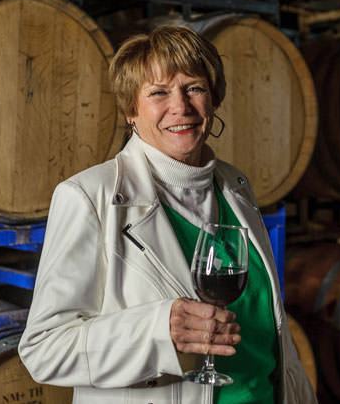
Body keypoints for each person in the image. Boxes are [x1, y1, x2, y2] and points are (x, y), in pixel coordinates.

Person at [19, 25, 317, 404]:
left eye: (194, 88)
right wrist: (159, 332)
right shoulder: (88, 197)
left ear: (213, 99)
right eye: (158, 93)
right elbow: (45, 350)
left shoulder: (235, 185)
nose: (181, 107)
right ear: (131, 110)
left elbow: (269, 337)